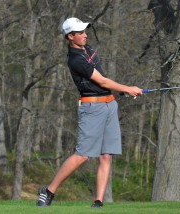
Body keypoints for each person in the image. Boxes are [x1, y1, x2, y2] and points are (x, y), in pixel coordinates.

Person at [36, 17, 142, 208]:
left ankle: (98, 202)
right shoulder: (76, 60)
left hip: (109, 104)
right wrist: (127, 88)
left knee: (106, 155)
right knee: (83, 155)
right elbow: (101, 81)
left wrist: (118, 91)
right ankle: (49, 191)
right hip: (92, 109)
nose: (85, 35)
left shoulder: (88, 50)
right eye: (81, 32)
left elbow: (103, 81)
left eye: (85, 31)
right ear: (70, 36)